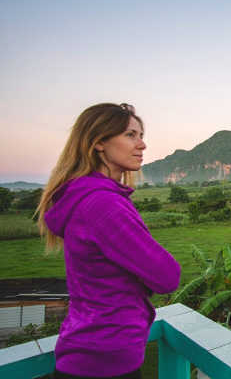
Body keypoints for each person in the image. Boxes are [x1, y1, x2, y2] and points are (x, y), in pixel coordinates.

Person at [36, 103, 181, 378]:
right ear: (99, 142)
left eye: (140, 135)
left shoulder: (83, 197)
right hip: (105, 359)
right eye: (130, 135)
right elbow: (167, 276)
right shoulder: (103, 205)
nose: (142, 144)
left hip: (85, 349)